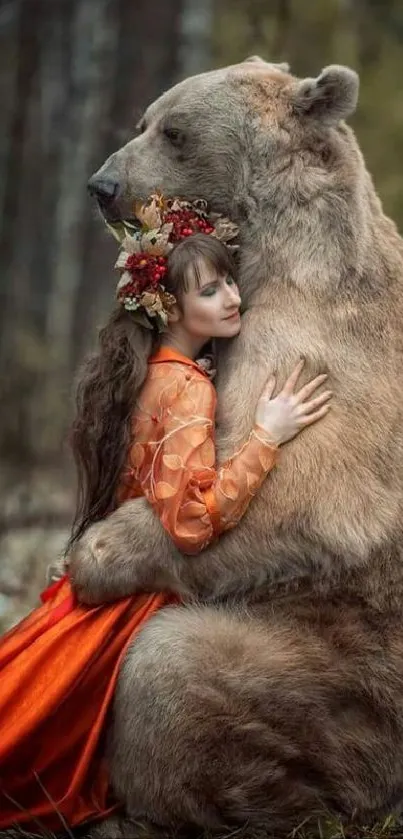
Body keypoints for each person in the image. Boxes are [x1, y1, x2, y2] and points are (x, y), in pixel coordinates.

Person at [0, 195, 331, 832]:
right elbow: (190, 523)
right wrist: (266, 435)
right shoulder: (189, 388)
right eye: (211, 291)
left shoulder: (150, 373)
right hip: (138, 599)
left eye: (230, 280)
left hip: (99, 592)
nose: (232, 297)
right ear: (170, 307)